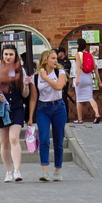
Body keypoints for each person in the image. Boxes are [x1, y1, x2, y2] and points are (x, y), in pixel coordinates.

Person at [32, 52, 69, 180]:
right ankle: (44, 170)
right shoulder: (37, 76)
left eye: (56, 58)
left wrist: (46, 77)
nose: (55, 61)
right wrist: (30, 117)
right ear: (45, 60)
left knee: (58, 140)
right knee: (44, 139)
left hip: (58, 107)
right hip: (43, 108)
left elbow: (59, 86)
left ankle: (57, 170)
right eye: (53, 58)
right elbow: (32, 96)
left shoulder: (60, 73)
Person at [69, 44, 99, 123]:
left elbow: (78, 67)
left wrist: (78, 79)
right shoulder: (90, 55)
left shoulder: (78, 54)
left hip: (81, 77)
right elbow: (95, 67)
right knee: (90, 98)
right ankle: (97, 114)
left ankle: (80, 119)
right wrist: (99, 80)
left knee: (79, 99)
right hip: (88, 77)